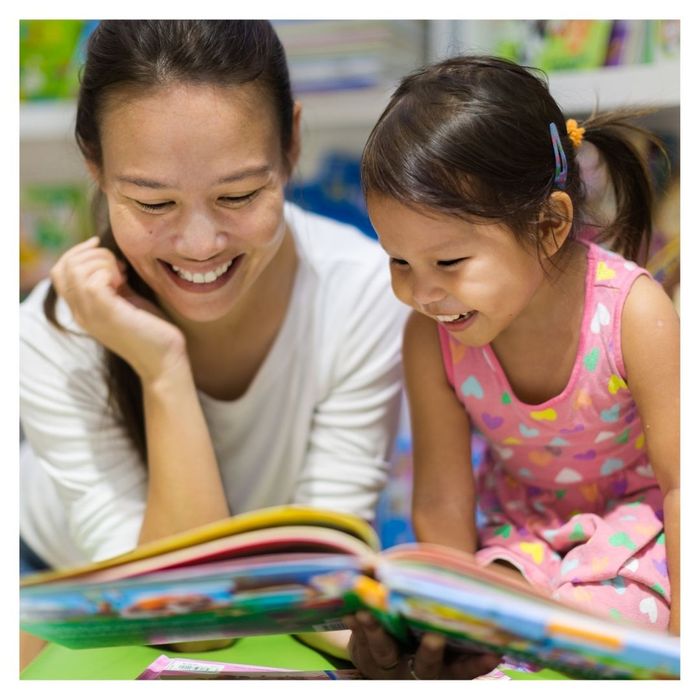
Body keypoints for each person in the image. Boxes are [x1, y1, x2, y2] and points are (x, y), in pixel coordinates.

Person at [19, 19, 409, 667]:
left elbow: (314, 580)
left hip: (264, 595)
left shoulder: (363, 294)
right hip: (53, 577)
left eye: (238, 195)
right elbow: (186, 620)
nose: (200, 245)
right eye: (152, 203)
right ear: (97, 169)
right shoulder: (49, 334)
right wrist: (163, 369)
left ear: (291, 144)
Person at [346, 54, 679, 679]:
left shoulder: (634, 313)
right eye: (399, 262)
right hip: (521, 540)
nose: (423, 293)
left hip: (638, 536)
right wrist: (445, 614)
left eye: (448, 263)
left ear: (550, 224)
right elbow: (443, 505)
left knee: (601, 619)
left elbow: (683, 486)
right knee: (440, 609)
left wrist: (687, 643)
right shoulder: (432, 338)